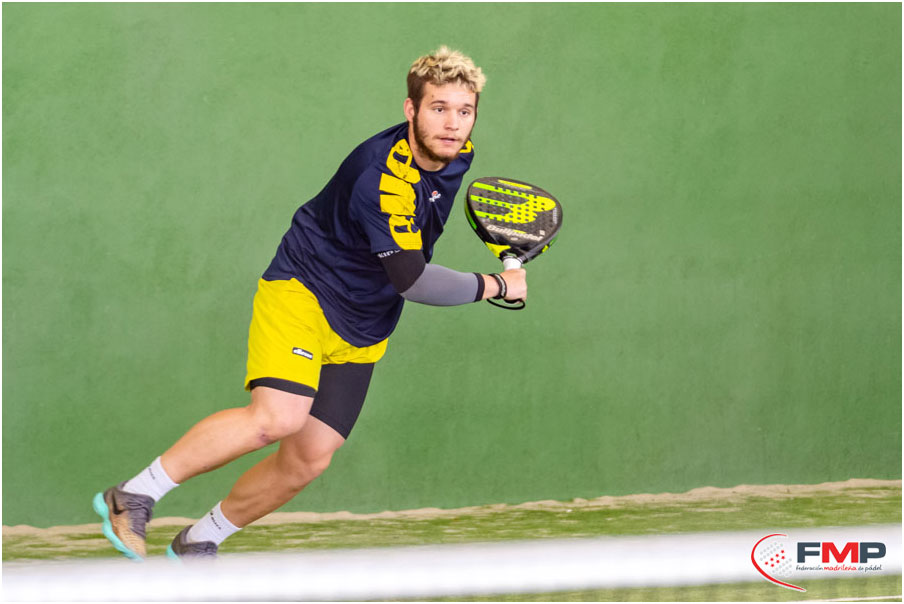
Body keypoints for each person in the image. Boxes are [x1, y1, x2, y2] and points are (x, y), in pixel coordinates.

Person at [93, 45, 527, 561]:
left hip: (366, 318)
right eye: (438, 108)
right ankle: (134, 494)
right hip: (306, 291)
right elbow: (412, 280)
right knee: (276, 418)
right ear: (410, 110)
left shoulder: (459, 151)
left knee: (309, 458)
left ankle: (200, 540)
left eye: (464, 110)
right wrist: (496, 285)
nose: (453, 124)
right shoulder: (382, 180)